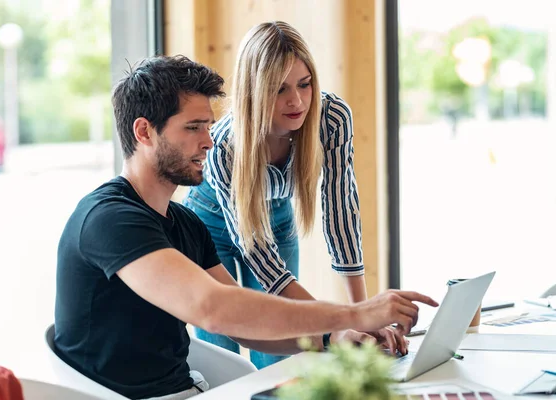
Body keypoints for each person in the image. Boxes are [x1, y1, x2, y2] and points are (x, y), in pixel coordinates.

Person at [54, 54, 437, 400]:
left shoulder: (183, 222)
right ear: (144, 132)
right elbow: (214, 309)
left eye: (209, 126)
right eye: (193, 128)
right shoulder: (108, 217)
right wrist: (354, 314)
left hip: (191, 389)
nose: (208, 141)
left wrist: (332, 337)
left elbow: (244, 326)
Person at [183, 21, 380, 368]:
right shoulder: (225, 146)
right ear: (254, 91)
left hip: (275, 215)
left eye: (305, 85)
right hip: (210, 223)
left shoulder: (331, 119)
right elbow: (262, 260)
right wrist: (340, 324)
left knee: (282, 346)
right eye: (278, 89)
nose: (297, 101)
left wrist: (361, 314)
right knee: (222, 353)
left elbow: (341, 216)